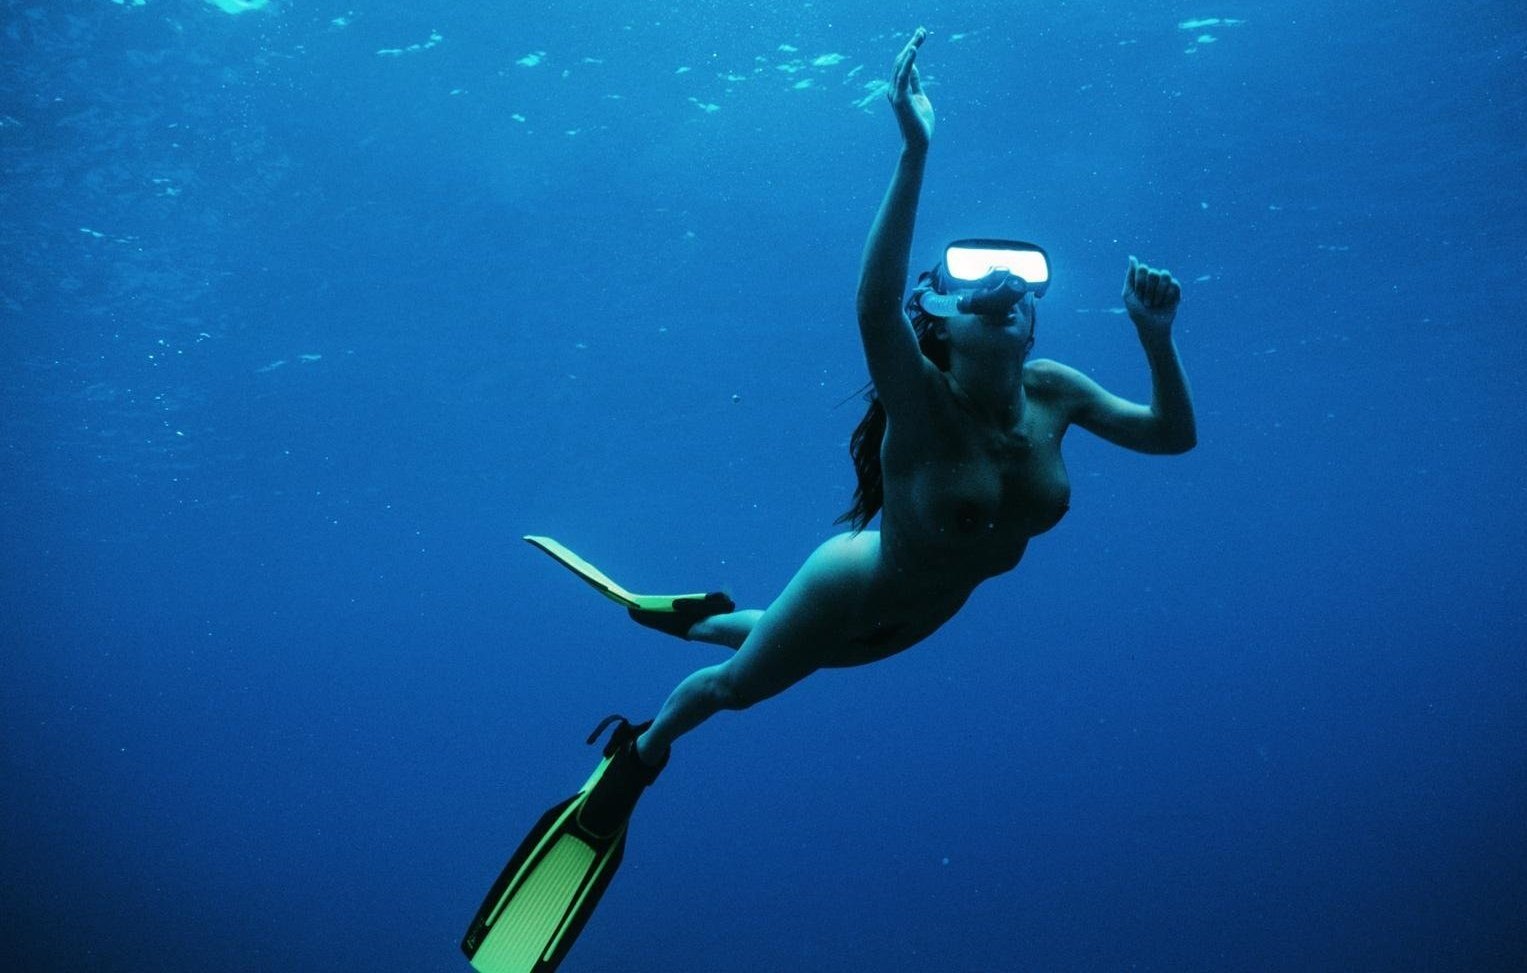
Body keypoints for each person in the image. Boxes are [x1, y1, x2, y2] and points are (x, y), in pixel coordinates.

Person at [460, 29, 1196, 973]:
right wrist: (915, 149)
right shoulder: (919, 402)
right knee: (734, 689)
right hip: (853, 583)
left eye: (1020, 284)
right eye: (971, 282)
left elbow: (1169, 436)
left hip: (924, 612)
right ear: (936, 320)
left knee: (791, 647)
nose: (1004, 288)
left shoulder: (1055, 390)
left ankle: (694, 614)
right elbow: (871, 306)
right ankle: (636, 758)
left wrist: (1154, 336)